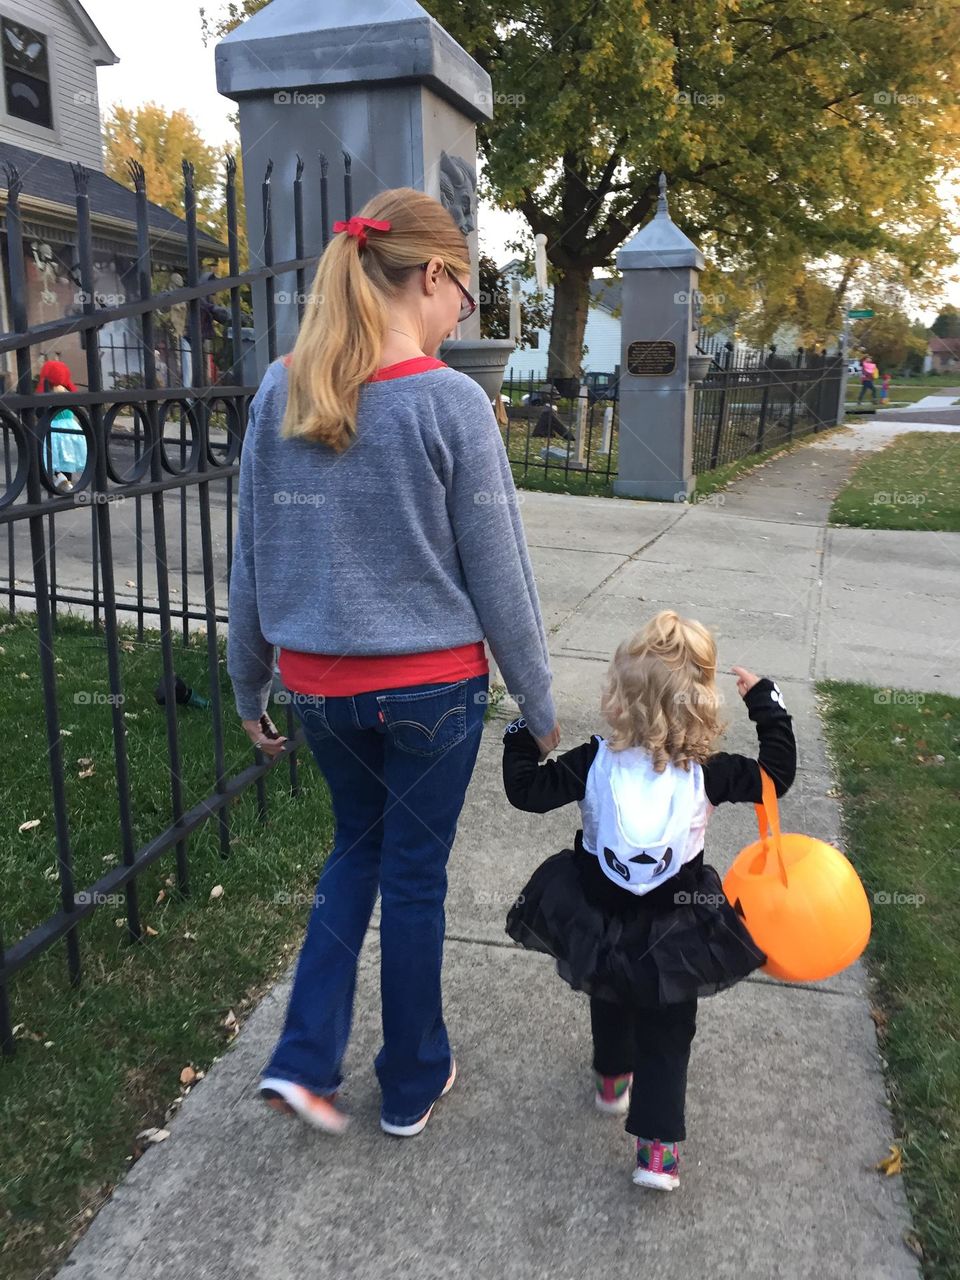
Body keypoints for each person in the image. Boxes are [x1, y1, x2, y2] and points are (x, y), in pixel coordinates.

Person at [227, 188, 560, 1139]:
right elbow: (501, 573)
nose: (466, 311)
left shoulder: (279, 391)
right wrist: (539, 702)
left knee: (353, 854)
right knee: (414, 877)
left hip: (322, 695)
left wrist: (248, 682)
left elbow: (251, 558)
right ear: (429, 276)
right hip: (433, 696)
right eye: (466, 288)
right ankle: (411, 1080)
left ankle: (303, 1060)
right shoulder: (452, 404)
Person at [502, 610, 796, 1191]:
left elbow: (526, 792)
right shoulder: (707, 772)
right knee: (668, 1029)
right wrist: (767, 702)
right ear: (703, 705)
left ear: (617, 697)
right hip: (676, 927)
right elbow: (775, 777)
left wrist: (520, 736)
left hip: (599, 914)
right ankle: (657, 1152)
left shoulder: (592, 761)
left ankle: (613, 1078)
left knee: (607, 989)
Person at [35, 359, 87, 493]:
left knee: (54, 455)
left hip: (53, 428)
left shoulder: (46, 392)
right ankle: (67, 482)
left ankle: (58, 476)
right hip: (71, 427)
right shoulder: (67, 390)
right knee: (67, 457)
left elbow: (39, 412)